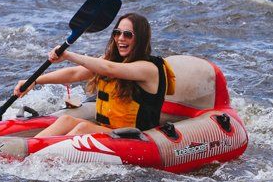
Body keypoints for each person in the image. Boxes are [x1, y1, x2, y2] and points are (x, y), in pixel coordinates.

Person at [13, 12, 173, 137]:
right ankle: (30, 150)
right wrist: (34, 81)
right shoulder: (112, 60)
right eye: (117, 33)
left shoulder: (148, 68)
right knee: (66, 120)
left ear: (140, 39)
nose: (120, 39)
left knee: (83, 127)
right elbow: (75, 73)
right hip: (109, 130)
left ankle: (40, 156)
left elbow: (109, 69)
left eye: (128, 34)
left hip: (136, 137)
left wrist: (68, 55)